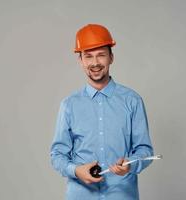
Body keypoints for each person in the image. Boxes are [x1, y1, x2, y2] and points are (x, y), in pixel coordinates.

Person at [50, 24, 154, 200]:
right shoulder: (69, 105)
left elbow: (144, 150)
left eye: (101, 55)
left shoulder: (132, 101)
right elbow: (57, 155)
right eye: (88, 56)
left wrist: (130, 164)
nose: (95, 63)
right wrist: (76, 170)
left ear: (111, 57)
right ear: (80, 60)